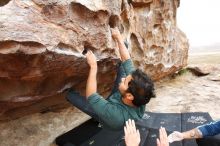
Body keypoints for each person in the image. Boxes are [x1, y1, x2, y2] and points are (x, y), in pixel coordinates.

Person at [66, 27, 155, 130]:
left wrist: (94, 66)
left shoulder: (116, 116)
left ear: (130, 96)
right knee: (124, 65)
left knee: (73, 97)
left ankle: (70, 95)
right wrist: (118, 38)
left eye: (125, 82)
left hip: (109, 116)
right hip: (119, 98)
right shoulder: (141, 94)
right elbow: (127, 61)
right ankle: (123, 45)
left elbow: (91, 95)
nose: (123, 79)